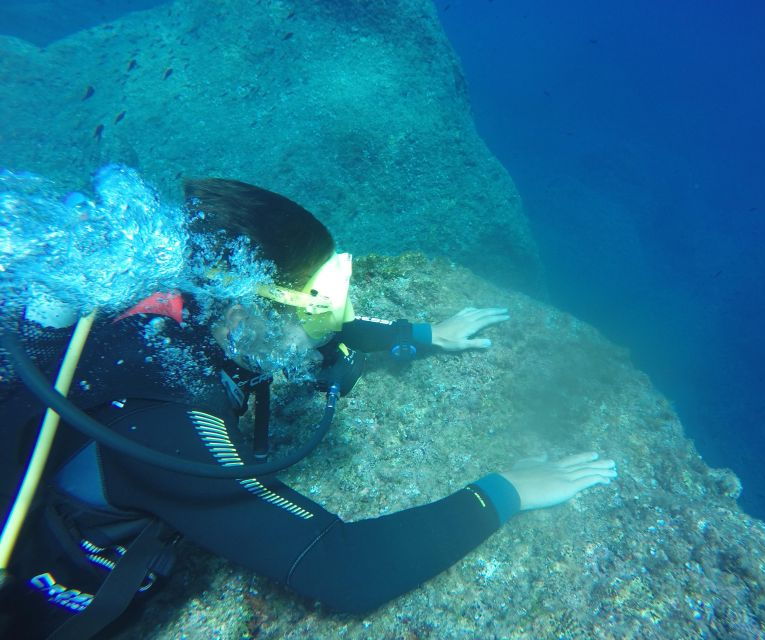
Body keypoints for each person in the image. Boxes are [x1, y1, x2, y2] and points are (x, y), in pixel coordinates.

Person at [0, 178, 616, 639]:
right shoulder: (166, 426)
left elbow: (317, 345)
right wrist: (504, 490)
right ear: (243, 306)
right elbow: (343, 568)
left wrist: (422, 333)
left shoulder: (181, 317)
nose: (333, 323)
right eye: (318, 308)